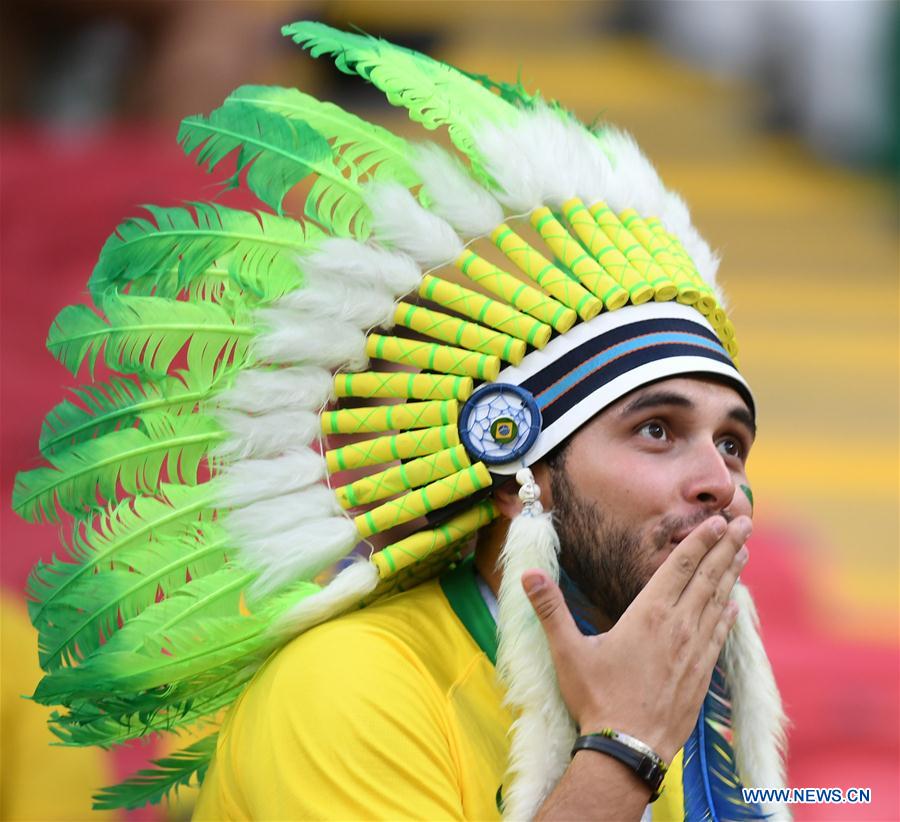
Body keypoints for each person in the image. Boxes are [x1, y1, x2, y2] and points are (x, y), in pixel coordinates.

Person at [14, 21, 787, 820]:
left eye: (733, 444)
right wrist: (623, 750)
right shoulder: (349, 687)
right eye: (656, 429)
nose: (720, 486)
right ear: (518, 480)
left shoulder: (668, 715)